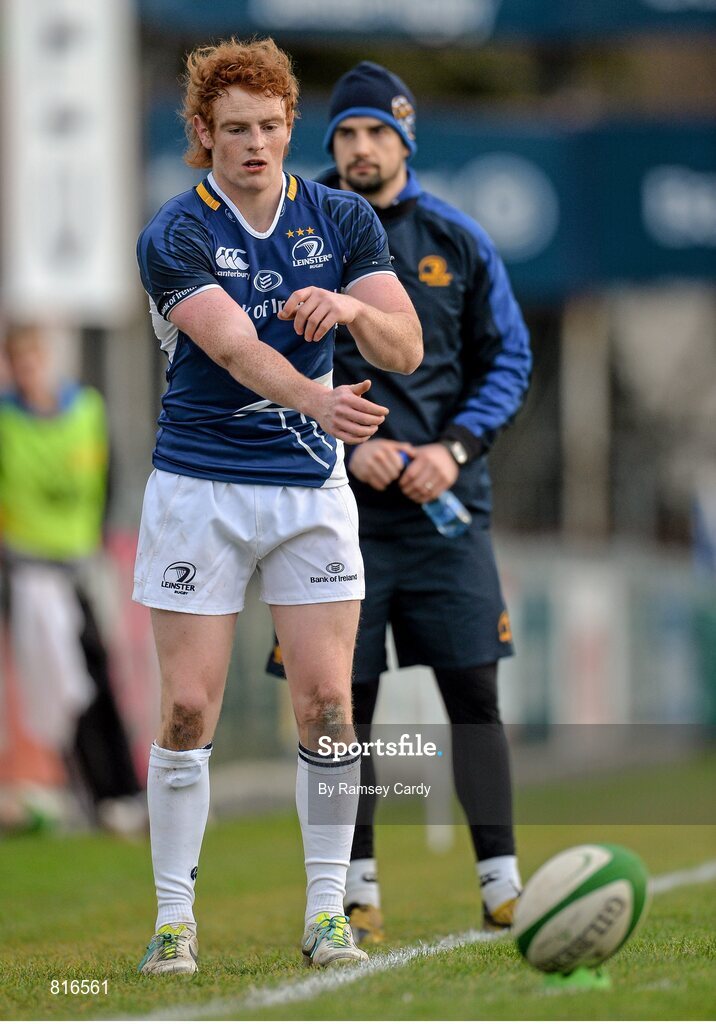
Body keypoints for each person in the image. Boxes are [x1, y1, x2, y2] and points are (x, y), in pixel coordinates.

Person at [133, 38, 422, 975]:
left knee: (330, 704)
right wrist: (318, 398)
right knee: (186, 711)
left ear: (291, 127)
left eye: (268, 126)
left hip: (307, 496)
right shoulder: (175, 231)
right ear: (202, 137)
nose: (253, 144)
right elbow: (230, 348)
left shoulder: (341, 220)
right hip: (199, 487)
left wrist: (347, 312)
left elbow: (406, 347)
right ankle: (175, 921)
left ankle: (328, 914)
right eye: (232, 130)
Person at [320, 62, 531, 942]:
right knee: (340, 707)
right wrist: (347, 443)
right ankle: (355, 892)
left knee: (473, 694)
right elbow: (250, 369)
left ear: (405, 141)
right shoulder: (297, 235)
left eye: (378, 132)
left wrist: (451, 451)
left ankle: (501, 886)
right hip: (335, 514)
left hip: (449, 513)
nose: (363, 148)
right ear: (329, 146)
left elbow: (508, 361)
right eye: (347, 134)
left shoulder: (459, 237)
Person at [0, 326, 143, 834]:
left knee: (101, 680)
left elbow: (107, 479)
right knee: (63, 691)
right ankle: (96, 795)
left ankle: (123, 791)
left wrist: (98, 545)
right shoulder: (7, 420)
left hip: (82, 566)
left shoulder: (85, 409)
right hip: (30, 573)